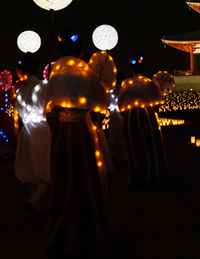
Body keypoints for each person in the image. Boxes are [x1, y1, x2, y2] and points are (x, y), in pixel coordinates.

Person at [44, 26, 116, 256]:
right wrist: (91, 120)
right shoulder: (84, 71)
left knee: (64, 176)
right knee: (85, 176)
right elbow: (100, 99)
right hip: (82, 132)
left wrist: (56, 124)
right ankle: (87, 226)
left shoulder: (55, 71)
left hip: (62, 133)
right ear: (82, 51)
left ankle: (62, 225)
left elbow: (49, 108)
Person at [118, 53, 168, 188]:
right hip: (148, 116)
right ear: (144, 68)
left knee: (134, 148)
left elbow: (120, 104)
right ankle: (155, 176)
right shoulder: (151, 84)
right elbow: (158, 103)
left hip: (131, 117)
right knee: (152, 147)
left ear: (131, 69)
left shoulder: (126, 84)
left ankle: (137, 178)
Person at [14, 52, 51, 220]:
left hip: (26, 129)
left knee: (33, 169)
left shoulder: (20, 88)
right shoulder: (42, 86)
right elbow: (49, 108)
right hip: (40, 129)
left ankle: (35, 205)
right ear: (38, 68)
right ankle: (32, 203)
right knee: (47, 170)